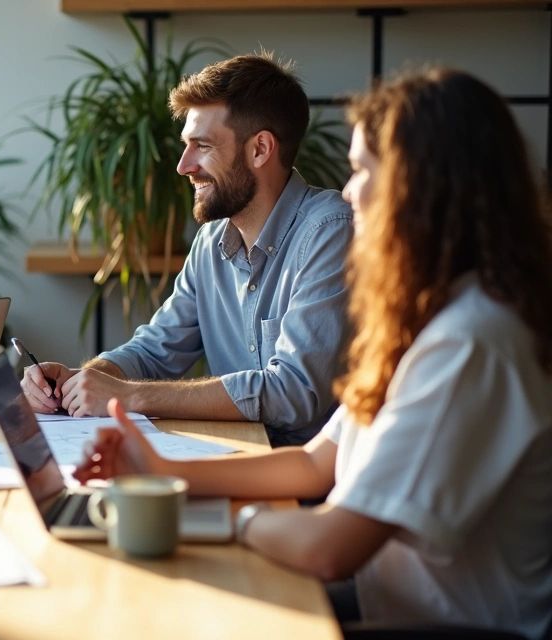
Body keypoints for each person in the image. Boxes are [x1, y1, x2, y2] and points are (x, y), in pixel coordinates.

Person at [75, 69, 552, 637]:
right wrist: (160, 471)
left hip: (447, 626)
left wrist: (238, 522)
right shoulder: (432, 321)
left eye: (362, 171)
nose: (350, 192)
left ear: (421, 185)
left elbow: (330, 548)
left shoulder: (471, 342)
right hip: (392, 600)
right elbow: (312, 463)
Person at [22, 54, 353, 446]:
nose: (183, 166)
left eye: (202, 146)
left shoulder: (329, 232)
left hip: (312, 484)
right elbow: (154, 350)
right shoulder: (211, 242)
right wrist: (82, 381)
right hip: (235, 457)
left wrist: (130, 396)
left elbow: (294, 393)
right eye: (186, 145)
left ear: (260, 149)